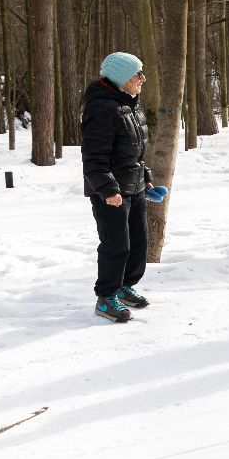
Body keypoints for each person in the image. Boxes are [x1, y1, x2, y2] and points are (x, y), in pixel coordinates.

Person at [82, 52, 168, 323]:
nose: (143, 79)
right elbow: (94, 158)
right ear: (120, 78)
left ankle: (124, 286)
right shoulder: (102, 108)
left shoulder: (128, 104)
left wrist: (147, 179)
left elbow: (135, 153)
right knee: (116, 244)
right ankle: (106, 297)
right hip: (111, 193)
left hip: (134, 187)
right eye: (137, 74)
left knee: (138, 242)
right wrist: (108, 189)